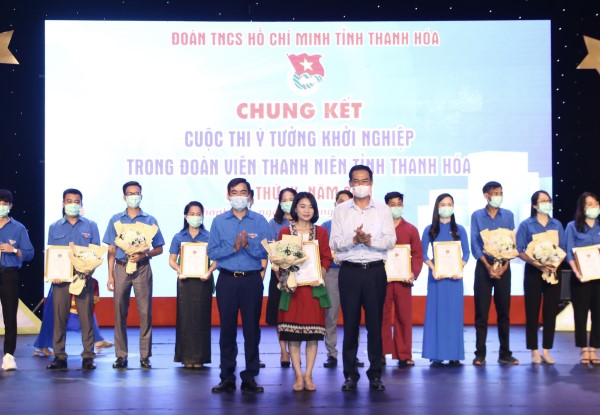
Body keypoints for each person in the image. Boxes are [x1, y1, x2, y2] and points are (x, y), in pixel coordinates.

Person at [329, 165, 396, 392]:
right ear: (350, 184)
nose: (360, 185)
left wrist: (369, 242)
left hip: (375, 271)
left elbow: (390, 241)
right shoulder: (341, 211)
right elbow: (334, 243)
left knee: (375, 324)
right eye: (356, 181)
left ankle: (375, 374)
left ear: (371, 183)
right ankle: (350, 375)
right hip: (349, 272)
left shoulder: (383, 210)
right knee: (350, 325)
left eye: (364, 181)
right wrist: (354, 240)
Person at [208, 178, 269, 393]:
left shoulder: (260, 221)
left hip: (252, 280)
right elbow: (212, 252)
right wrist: (233, 249)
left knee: (252, 330)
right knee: (227, 330)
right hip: (227, 280)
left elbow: (268, 251)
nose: (238, 196)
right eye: (234, 192)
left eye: (243, 192)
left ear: (250, 196)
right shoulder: (219, 221)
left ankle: (250, 376)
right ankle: (227, 376)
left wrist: (248, 246)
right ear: (228, 196)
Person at [103, 181, 165, 369]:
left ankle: (145, 356)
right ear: (124, 197)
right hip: (121, 267)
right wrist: (110, 275)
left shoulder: (150, 220)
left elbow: (159, 248)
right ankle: (121, 356)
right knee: (119, 312)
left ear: (141, 196)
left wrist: (144, 254)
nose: (133, 196)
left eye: (137, 193)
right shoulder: (116, 219)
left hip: (142, 268)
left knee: (145, 312)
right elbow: (111, 249)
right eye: (130, 194)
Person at [277, 192, 332, 391]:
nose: (307, 210)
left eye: (310, 206)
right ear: (295, 209)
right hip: (293, 291)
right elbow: (281, 261)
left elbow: (326, 258)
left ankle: (308, 375)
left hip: (313, 290)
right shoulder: (286, 232)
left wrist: (320, 274)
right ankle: (298, 376)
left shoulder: (321, 232)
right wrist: (286, 277)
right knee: (293, 336)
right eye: (302, 206)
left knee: (312, 335)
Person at [46, 188, 100, 370]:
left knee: (86, 318)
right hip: (61, 279)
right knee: (59, 318)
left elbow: (96, 252)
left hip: (83, 278)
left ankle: (88, 356)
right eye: (69, 201)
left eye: (76, 202)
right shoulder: (54, 227)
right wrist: (53, 273)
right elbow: (52, 254)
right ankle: (59, 356)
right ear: (63, 204)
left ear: (81, 204)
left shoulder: (91, 226)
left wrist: (88, 269)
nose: (73, 205)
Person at [470, 181, 518, 365]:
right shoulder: (477, 216)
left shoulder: (508, 215)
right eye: (495, 193)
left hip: (504, 266)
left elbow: (512, 242)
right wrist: (487, 265)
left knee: (504, 312)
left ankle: (505, 353)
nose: (499, 196)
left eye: (500, 193)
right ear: (486, 195)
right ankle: (480, 353)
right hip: (484, 267)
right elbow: (475, 243)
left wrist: (506, 264)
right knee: (481, 312)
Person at [517, 190, 566, 364]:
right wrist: (536, 263)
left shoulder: (556, 224)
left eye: (548, 200)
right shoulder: (526, 225)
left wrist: (555, 263)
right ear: (535, 205)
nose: (547, 203)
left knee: (550, 311)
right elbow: (519, 250)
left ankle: (546, 350)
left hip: (553, 271)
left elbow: (563, 248)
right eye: (543, 201)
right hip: (533, 272)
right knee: (532, 311)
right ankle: (534, 351)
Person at [421, 193, 470, 366]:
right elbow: (422, 253)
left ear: (453, 207)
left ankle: (454, 354)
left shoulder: (460, 230)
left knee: (453, 316)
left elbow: (467, 253)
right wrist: (433, 267)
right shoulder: (429, 230)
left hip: (455, 279)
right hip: (437, 278)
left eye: (449, 204)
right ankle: (436, 355)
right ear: (437, 207)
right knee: (436, 315)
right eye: (443, 204)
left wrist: (459, 267)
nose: (446, 207)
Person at [168, 201, 216, 369]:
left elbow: (217, 259)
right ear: (185, 216)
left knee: (202, 318)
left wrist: (209, 272)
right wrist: (179, 270)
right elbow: (171, 260)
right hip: (185, 281)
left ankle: (200, 357)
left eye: (198, 214)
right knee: (185, 318)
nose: (195, 217)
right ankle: (186, 357)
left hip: (204, 281)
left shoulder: (209, 236)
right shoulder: (178, 237)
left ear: (202, 216)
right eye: (192, 214)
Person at [382, 191, 423, 367]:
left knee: (404, 317)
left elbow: (417, 255)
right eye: (392, 205)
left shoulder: (411, 229)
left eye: (399, 204)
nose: (396, 208)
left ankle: (404, 354)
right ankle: (381, 352)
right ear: (386, 207)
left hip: (404, 281)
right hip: (382, 281)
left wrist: (413, 273)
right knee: (381, 317)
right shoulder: (379, 228)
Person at [0, 189, 34, 371]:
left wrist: (13, 250)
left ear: (10, 206)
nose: (1, 207)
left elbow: (29, 254)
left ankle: (8, 355)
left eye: (4, 204)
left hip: (9, 274)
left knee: (9, 316)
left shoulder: (18, 228)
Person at [34, 279, 113, 357]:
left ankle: (97, 338)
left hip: (77, 278)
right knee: (59, 313)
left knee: (83, 309)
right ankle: (97, 339)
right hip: (64, 280)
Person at [565, 192, 600, 365]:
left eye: (596, 204)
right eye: (589, 204)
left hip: (598, 278)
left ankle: (594, 348)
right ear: (582, 207)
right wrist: (577, 272)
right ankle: (583, 348)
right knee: (580, 313)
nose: (594, 207)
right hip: (580, 277)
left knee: (598, 313)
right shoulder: (572, 226)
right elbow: (569, 252)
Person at [322, 190, 355, 368]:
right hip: (332, 274)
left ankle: (353, 354)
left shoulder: (358, 225)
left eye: (347, 202)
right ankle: (331, 353)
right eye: (340, 201)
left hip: (353, 272)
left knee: (353, 315)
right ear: (335, 204)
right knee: (331, 315)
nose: (343, 205)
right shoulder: (325, 226)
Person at [265, 187, 297, 367]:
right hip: (278, 274)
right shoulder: (274, 223)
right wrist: (279, 270)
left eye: (291, 199)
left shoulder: (303, 222)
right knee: (281, 314)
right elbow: (270, 250)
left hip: (299, 275)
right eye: (284, 200)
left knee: (295, 314)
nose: (288, 203)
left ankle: (295, 351)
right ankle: (284, 351)